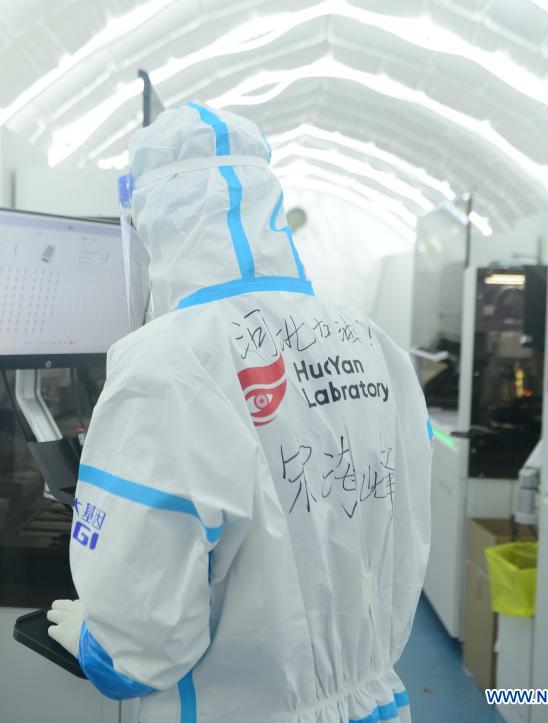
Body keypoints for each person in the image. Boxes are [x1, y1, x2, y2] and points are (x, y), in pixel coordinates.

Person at [47, 103, 432, 723]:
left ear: (152, 226)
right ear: (269, 208)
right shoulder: (371, 343)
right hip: (372, 701)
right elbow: (399, 524)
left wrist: (103, 645)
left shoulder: (165, 363)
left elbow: (142, 644)